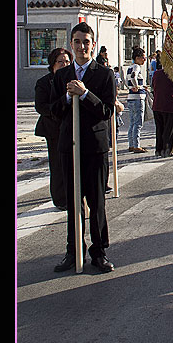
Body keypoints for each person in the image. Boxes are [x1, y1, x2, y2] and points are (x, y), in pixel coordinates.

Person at [51, 22, 116, 273]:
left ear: (93, 44)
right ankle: (73, 249)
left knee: (96, 201)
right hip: (70, 146)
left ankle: (99, 251)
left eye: (86, 42)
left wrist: (86, 93)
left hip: (94, 147)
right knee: (73, 201)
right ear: (71, 44)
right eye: (77, 42)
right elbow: (54, 112)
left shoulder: (103, 74)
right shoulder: (61, 76)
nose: (81, 47)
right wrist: (68, 97)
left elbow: (106, 111)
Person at [34, 47, 72, 209]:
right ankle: (60, 199)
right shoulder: (44, 82)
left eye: (67, 62)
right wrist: (59, 106)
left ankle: (74, 194)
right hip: (53, 129)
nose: (64, 65)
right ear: (53, 64)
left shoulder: (74, 81)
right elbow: (41, 107)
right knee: (58, 165)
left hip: (72, 128)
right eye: (60, 62)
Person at [152, 67, 173, 156]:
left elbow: (153, 86)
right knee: (169, 130)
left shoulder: (156, 73)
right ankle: (167, 149)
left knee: (159, 129)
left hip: (157, 104)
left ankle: (158, 149)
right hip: (170, 104)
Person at [126, 47, 148, 153]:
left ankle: (131, 144)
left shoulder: (129, 67)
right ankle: (136, 145)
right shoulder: (136, 67)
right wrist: (137, 86)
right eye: (144, 58)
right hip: (138, 97)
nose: (145, 60)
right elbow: (133, 77)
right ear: (138, 58)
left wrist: (134, 86)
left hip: (130, 97)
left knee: (132, 122)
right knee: (138, 122)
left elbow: (127, 80)